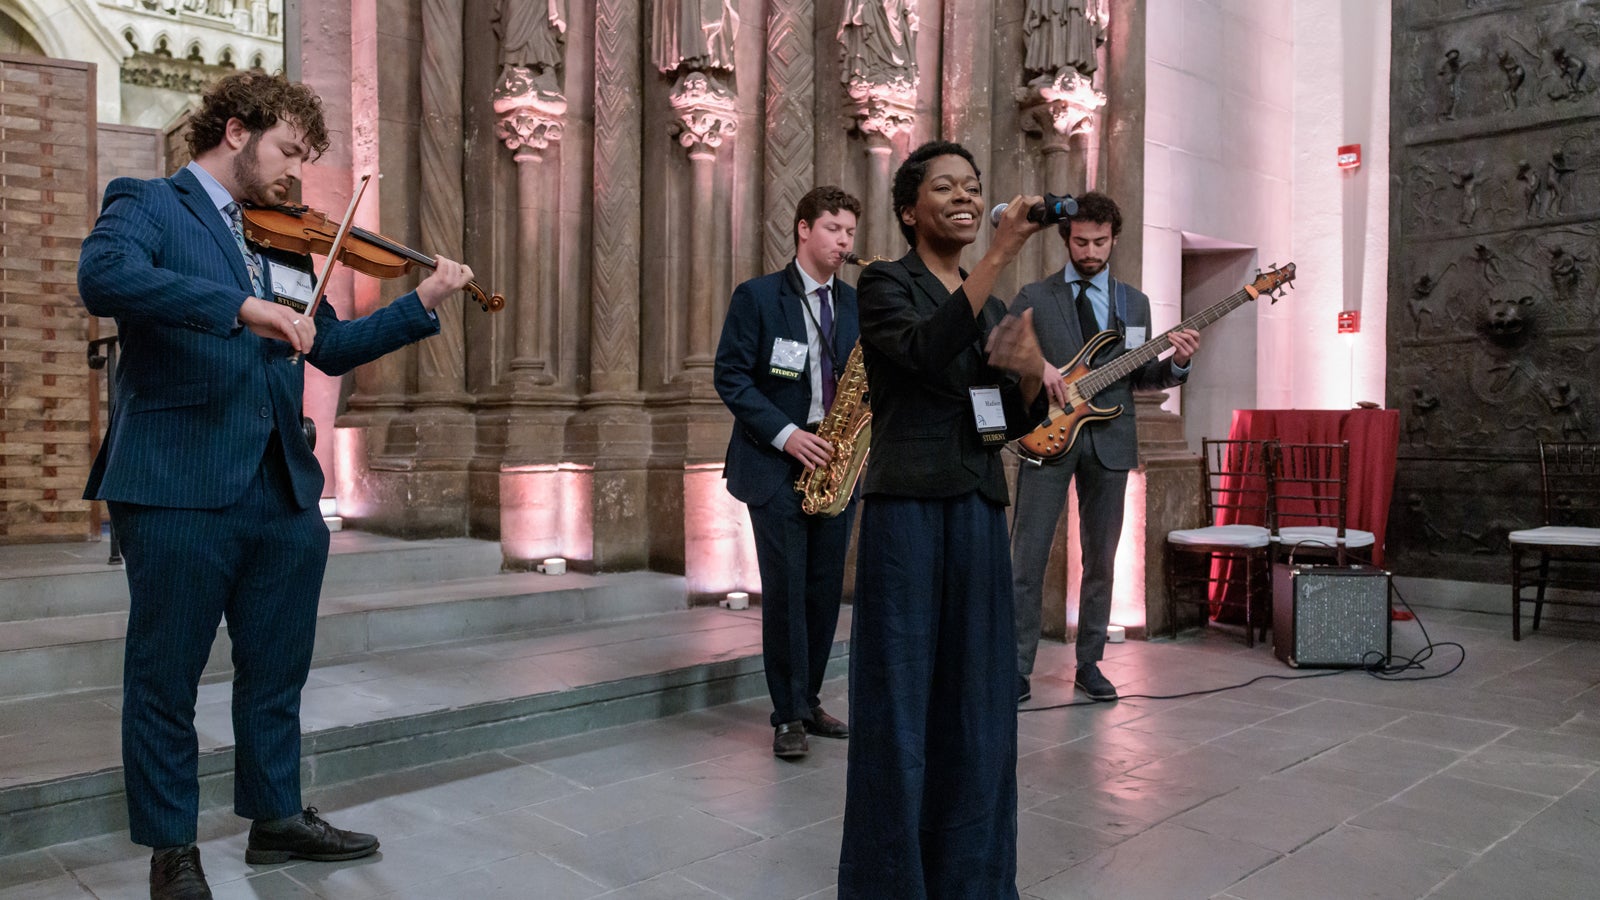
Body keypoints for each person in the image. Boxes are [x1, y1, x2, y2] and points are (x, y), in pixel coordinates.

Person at [77, 71, 475, 900]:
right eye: (288, 150)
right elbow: (105, 280)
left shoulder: (286, 240)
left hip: (283, 490)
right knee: (165, 680)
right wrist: (240, 308)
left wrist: (423, 302)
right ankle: (171, 851)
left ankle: (275, 816)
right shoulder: (148, 204)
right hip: (179, 482)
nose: (296, 171)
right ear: (235, 131)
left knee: (276, 670)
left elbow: (326, 347)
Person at [837, 141, 1051, 899]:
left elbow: (1006, 430)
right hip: (907, 517)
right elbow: (926, 356)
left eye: (973, 186)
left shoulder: (992, 307)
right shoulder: (883, 282)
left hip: (975, 509)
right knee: (899, 706)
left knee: (979, 705)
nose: (964, 196)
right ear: (909, 209)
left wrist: (1029, 375)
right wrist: (999, 252)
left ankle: (973, 881)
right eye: (946, 187)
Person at [1010, 192, 1198, 704]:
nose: (1089, 251)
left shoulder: (1133, 303)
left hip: (1111, 443)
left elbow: (1144, 376)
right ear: (1065, 239)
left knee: (1102, 559)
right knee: (1025, 559)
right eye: (1080, 242)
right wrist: (1036, 367)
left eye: (1099, 242)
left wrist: (1177, 364)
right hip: (1046, 437)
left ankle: (1089, 664)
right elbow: (1001, 353)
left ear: (1114, 239)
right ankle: (1015, 668)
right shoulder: (1034, 295)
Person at [713, 186, 862, 759]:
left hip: (836, 465)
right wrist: (787, 433)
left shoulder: (853, 305)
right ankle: (786, 714)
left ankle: (809, 698)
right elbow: (731, 377)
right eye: (833, 228)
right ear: (803, 229)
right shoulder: (757, 297)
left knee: (825, 592)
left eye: (850, 231)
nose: (843, 240)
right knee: (786, 592)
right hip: (775, 464)